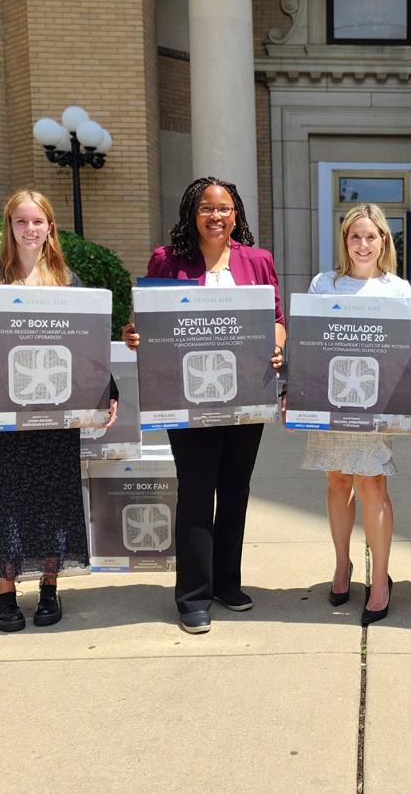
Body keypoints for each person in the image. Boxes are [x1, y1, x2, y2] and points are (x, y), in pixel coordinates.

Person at [122, 177, 285, 635]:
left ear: (236, 214)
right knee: (196, 492)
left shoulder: (258, 261)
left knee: (235, 488)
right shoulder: (167, 260)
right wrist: (134, 334)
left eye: (225, 208)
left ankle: (226, 583)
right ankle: (193, 596)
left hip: (245, 392)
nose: (216, 216)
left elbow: (276, 319)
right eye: (207, 208)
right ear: (192, 213)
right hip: (186, 395)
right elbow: (147, 319)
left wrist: (276, 346)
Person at [0, 190, 118, 632]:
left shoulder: (67, 280)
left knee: (56, 498)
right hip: (4, 413)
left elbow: (90, 344)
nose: (29, 229)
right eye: (21, 221)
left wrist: (108, 390)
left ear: (50, 227)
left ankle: (49, 585)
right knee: (9, 499)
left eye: (37, 221)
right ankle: (5, 591)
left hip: (58, 412)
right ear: (9, 227)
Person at [301, 203, 411, 626]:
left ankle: (379, 583)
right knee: (338, 479)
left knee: (371, 482)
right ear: (345, 240)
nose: (362, 244)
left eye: (370, 236)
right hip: (332, 400)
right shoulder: (324, 284)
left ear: (383, 241)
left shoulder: (398, 289)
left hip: (377, 403)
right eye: (355, 236)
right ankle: (343, 565)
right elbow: (309, 344)